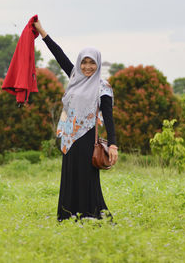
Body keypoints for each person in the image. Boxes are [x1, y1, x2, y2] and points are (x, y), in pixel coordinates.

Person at [33, 20, 118, 221]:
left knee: (87, 177)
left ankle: (93, 215)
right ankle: (68, 215)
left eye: (92, 63)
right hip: (69, 137)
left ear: (97, 64)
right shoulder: (75, 77)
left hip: (88, 138)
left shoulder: (102, 87)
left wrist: (113, 143)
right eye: (84, 62)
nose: (87, 67)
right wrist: (42, 31)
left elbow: (108, 116)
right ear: (80, 63)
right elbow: (59, 55)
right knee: (69, 175)